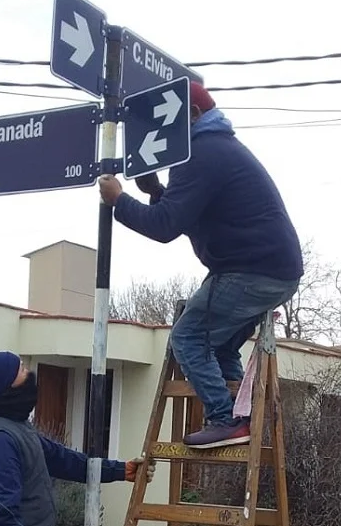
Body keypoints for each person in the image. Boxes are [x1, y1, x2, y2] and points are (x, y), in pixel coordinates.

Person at [98, 81, 303, 450]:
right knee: (220, 347)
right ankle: (244, 416)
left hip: (251, 270)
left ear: (192, 116)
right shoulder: (217, 149)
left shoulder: (198, 154)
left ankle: (225, 419)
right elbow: (186, 214)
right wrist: (155, 192)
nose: (162, 136)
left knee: (188, 338)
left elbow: (164, 227)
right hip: (275, 270)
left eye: (168, 125)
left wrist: (118, 201)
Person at [0, 351, 155, 526]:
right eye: (21, 371)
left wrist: (121, 470)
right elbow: (3, 515)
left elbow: (62, 460)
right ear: (6, 388)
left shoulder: (14, 428)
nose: (29, 375)